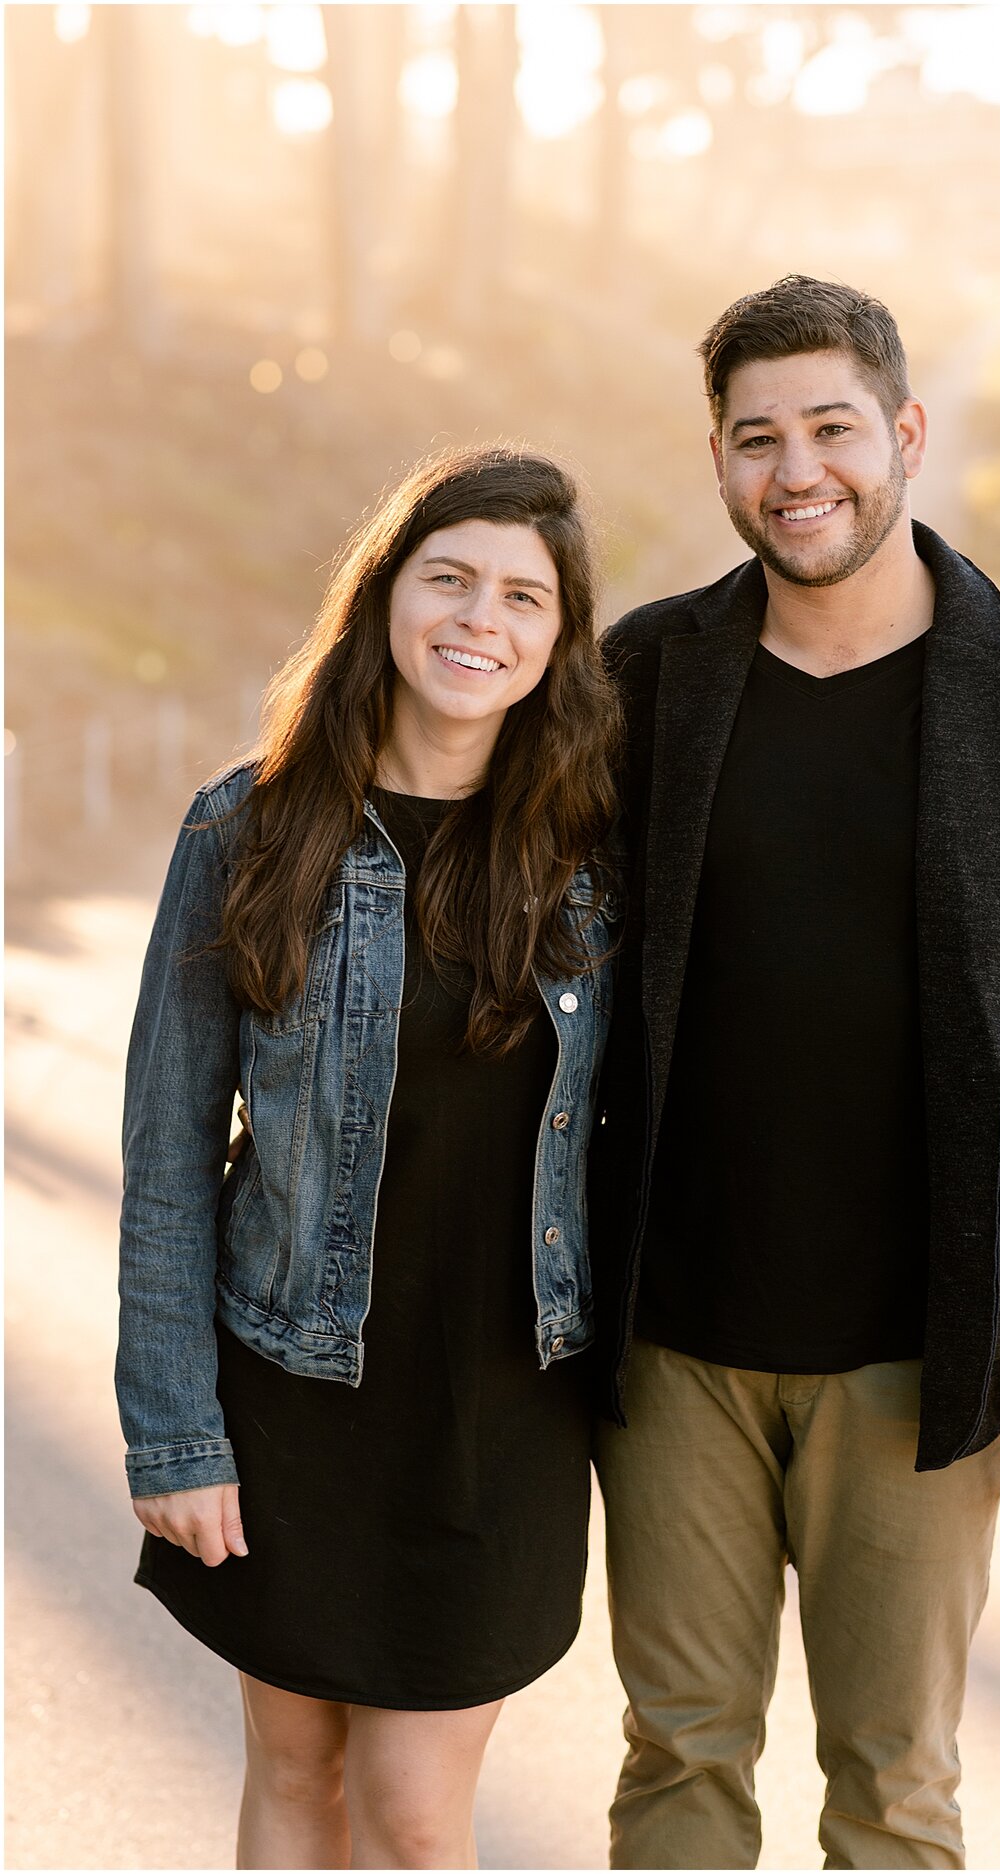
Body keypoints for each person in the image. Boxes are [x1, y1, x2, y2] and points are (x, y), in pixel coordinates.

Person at [587, 275, 1000, 1869]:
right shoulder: (644, 680)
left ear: (905, 433)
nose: (798, 471)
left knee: (895, 1779)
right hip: (671, 1344)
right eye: (757, 438)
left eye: (832, 427)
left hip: (924, 1357)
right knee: (676, 1756)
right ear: (716, 459)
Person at [114, 447, 621, 1866]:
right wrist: (175, 1431)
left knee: (410, 1813)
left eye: (525, 595)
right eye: (450, 576)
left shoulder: (593, 863)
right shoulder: (249, 831)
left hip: (504, 1407)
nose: (482, 619)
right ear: (386, 595)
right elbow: (165, 1160)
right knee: (295, 1772)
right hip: (289, 1384)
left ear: (558, 639)